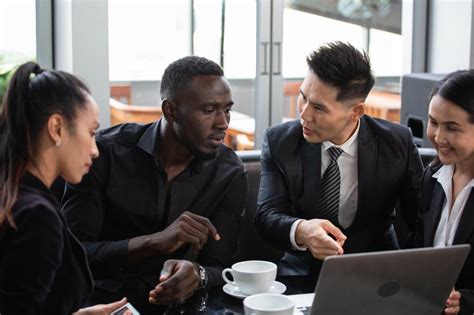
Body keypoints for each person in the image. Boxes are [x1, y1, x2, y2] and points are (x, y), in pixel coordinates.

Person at [61, 56, 248, 313]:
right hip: (101, 304)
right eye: (208, 110)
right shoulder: (104, 154)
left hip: (179, 307)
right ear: (170, 111)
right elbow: (72, 254)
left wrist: (197, 274)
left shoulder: (229, 172)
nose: (223, 123)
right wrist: (153, 242)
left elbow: (222, 266)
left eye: (226, 109)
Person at [255, 41, 423, 286]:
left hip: (378, 275)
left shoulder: (397, 144)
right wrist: (301, 230)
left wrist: (413, 275)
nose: (304, 114)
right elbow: (265, 216)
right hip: (301, 276)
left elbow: (421, 221)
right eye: (303, 97)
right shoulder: (280, 141)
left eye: (319, 108)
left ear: (356, 112)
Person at [0, 62, 131, 314]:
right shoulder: (36, 216)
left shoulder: (17, 195)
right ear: (56, 128)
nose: (95, 150)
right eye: (91, 132)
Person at [416, 70, 474, 315]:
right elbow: (417, 247)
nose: (438, 137)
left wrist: (466, 302)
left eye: (451, 128)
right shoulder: (433, 176)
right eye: (434, 122)